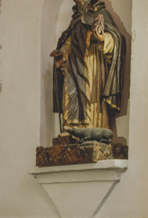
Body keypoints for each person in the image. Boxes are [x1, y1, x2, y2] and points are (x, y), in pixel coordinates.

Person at [51, 0, 125, 134]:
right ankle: (71, 131)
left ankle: (91, 130)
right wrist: (61, 53)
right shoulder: (75, 21)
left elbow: (117, 39)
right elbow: (69, 44)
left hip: (92, 65)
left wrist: (102, 38)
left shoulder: (102, 14)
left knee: (91, 99)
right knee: (69, 95)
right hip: (73, 68)